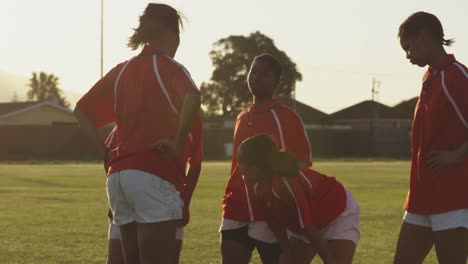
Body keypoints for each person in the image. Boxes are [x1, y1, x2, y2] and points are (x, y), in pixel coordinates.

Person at [74, 3, 201, 263]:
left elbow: (80, 110)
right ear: (172, 34)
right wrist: (177, 142)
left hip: (118, 178)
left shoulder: (121, 70)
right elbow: (192, 97)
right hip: (153, 176)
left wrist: (106, 153)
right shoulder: (169, 66)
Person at [220, 54, 312, 264]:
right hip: (237, 205)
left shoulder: (288, 117)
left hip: (270, 211)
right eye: (253, 71)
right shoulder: (241, 117)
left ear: (276, 82)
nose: (256, 77)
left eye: (265, 74)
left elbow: (304, 160)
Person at [394, 11, 468, 264]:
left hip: (454, 198)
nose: (407, 55)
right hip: (420, 198)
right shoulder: (430, 77)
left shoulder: (456, 76)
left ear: (424, 37)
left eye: (408, 47)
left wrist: (456, 154)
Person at [236, 134, 360, 264]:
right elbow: (273, 221)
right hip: (309, 222)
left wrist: (329, 260)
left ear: (255, 167)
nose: (238, 168)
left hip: (337, 212)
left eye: (241, 163)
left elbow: (307, 225)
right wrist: (287, 251)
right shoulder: (254, 185)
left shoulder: (285, 182)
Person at [105, 119, 203, 264]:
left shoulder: (191, 122)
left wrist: (185, 203)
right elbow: (109, 152)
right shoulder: (132, 115)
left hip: (167, 196)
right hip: (145, 195)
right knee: (118, 259)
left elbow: (195, 164)